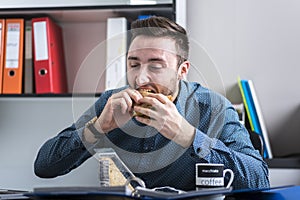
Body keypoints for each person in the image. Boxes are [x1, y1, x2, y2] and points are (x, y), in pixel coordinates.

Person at [34, 16, 269, 191]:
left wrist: (189, 136)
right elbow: (44, 167)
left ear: (182, 70)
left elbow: (259, 179)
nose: (140, 78)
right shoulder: (112, 103)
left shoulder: (214, 108)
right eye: (134, 64)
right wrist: (98, 128)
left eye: (156, 65)